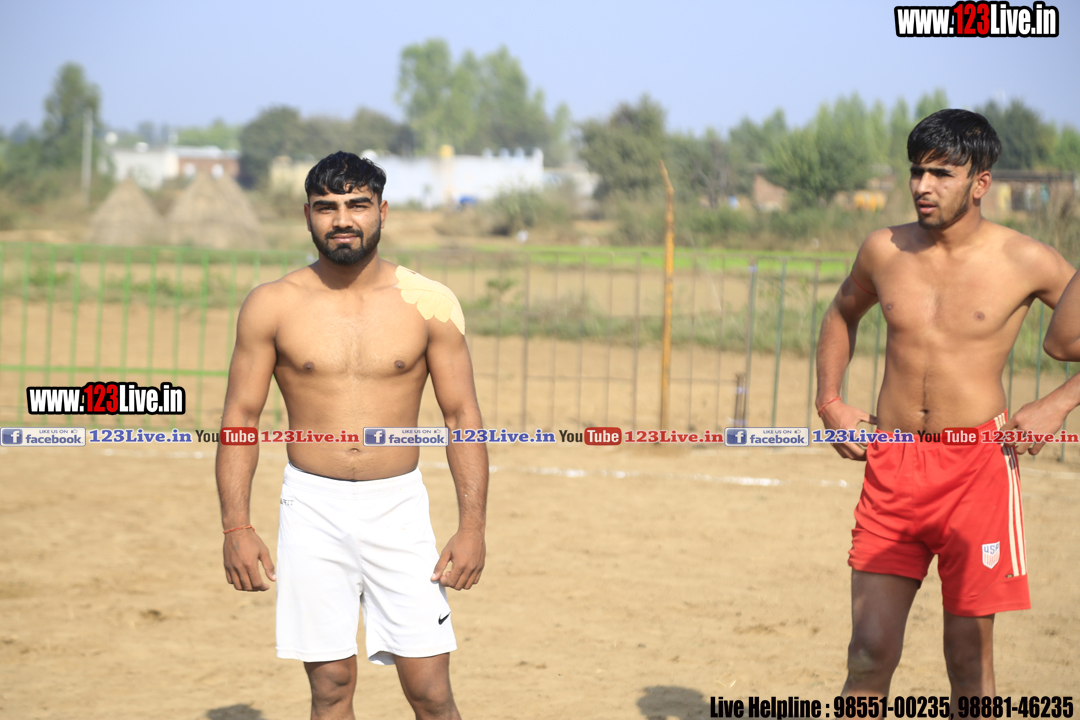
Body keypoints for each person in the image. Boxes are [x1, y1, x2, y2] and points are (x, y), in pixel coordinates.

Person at [815, 109, 1079, 702]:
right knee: (867, 654)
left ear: (980, 183)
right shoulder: (883, 249)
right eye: (917, 171)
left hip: (977, 474)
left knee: (967, 662)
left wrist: (1060, 402)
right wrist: (830, 401)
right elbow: (840, 313)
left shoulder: (1027, 259)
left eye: (941, 173)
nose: (923, 186)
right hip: (892, 465)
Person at [216, 151, 487, 720]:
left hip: (399, 508)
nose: (342, 220)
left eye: (357, 205)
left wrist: (472, 528)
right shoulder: (272, 304)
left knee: (430, 690)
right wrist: (236, 527)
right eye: (327, 207)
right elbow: (240, 418)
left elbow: (462, 416)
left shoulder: (428, 303)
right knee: (331, 688)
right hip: (311, 508)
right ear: (307, 217)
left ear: (382, 212)